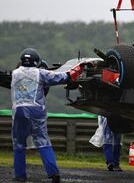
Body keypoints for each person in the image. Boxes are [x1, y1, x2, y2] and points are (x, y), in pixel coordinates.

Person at [11, 48, 83, 182]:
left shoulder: (15, 74)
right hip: (36, 111)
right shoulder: (41, 73)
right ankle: (53, 173)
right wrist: (77, 70)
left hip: (19, 111)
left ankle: (20, 176)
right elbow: (62, 77)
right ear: (36, 61)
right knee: (43, 141)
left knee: (19, 143)